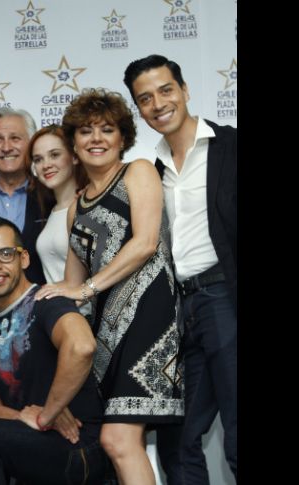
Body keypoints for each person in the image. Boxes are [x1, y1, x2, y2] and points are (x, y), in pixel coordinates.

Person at [35, 88, 183, 485]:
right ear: (74, 143)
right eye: (85, 131)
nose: (96, 138)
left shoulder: (137, 171)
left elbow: (146, 243)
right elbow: (69, 283)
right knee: (116, 442)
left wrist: (84, 291)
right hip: (106, 335)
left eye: (107, 129)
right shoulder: (75, 209)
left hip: (151, 317)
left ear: (122, 138)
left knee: (118, 440)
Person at [124, 54, 237, 484]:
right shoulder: (147, 173)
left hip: (225, 299)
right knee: (177, 441)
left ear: (185, 90)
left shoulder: (230, 147)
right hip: (177, 317)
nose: (158, 104)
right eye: (145, 99)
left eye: (166, 90)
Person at [0, 217, 108, 484]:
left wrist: (48, 413)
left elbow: (81, 346)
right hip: (36, 443)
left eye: (5, 253)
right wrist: (28, 417)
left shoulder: (47, 302)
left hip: (78, 447)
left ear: (23, 259)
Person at [0, 107, 48, 285]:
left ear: (31, 144)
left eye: (15, 138)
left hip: (45, 306)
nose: (6, 147)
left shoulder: (53, 196)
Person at [29, 125, 89, 296]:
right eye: (38, 159)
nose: (46, 165)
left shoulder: (87, 206)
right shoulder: (52, 211)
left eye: (54, 155)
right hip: (60, 316)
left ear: (74, 157)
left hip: (85, 316)